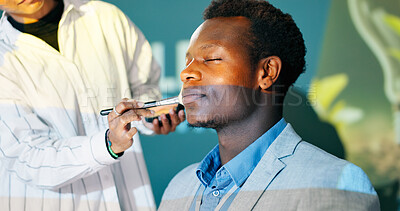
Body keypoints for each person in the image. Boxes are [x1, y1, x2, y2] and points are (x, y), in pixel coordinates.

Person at [158, 0, 380, 210]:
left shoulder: (333, 182)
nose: (186, 72)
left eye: (212, 58)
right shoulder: (179, 187)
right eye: (188, 61)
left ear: (267, 72)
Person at [0, 0, 184, 210]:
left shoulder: (105, 17)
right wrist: (108, 145)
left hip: (127, 199)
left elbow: (144, 87)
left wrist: (151, 117)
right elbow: (28, 157)